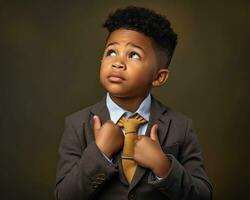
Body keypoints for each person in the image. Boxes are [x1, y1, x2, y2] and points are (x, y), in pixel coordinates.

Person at [55, 6, 212, 200]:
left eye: (134, 55)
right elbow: (64, 196)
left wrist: (163, 166)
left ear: (159, 77)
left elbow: (202, 196)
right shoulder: (77, 125)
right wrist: (100, 153)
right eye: (111, 52)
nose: (118, 62)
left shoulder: (180, 126)